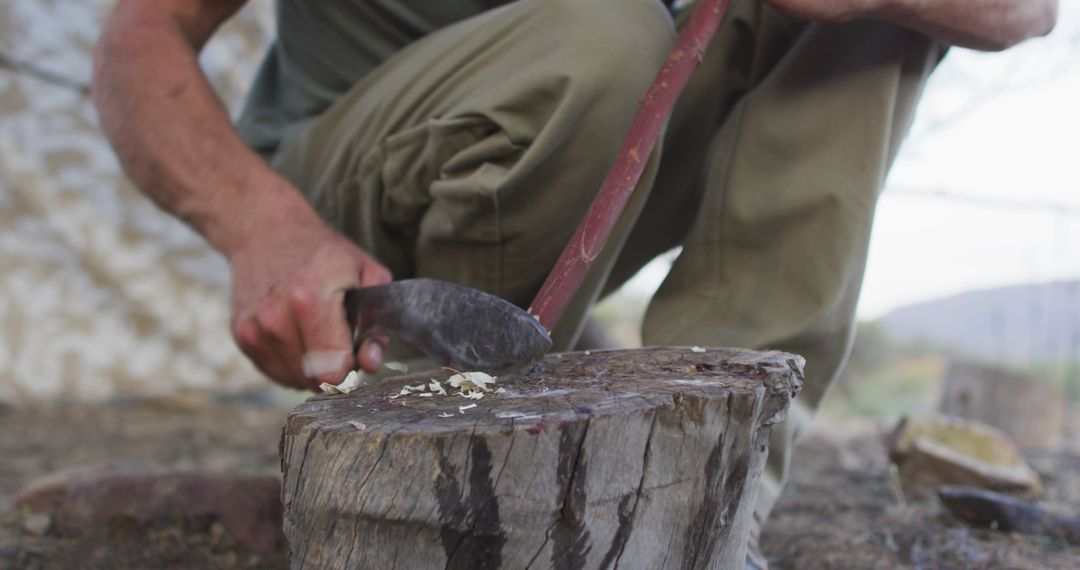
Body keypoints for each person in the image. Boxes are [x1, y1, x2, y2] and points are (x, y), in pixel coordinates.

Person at [92, 0, 1056, 567]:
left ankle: (709, 502)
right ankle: (428, 461)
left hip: (611, 161)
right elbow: (142, 33)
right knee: (599, 38)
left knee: (874, 21)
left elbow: (1024, 9)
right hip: (357, 193)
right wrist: (262, 228)